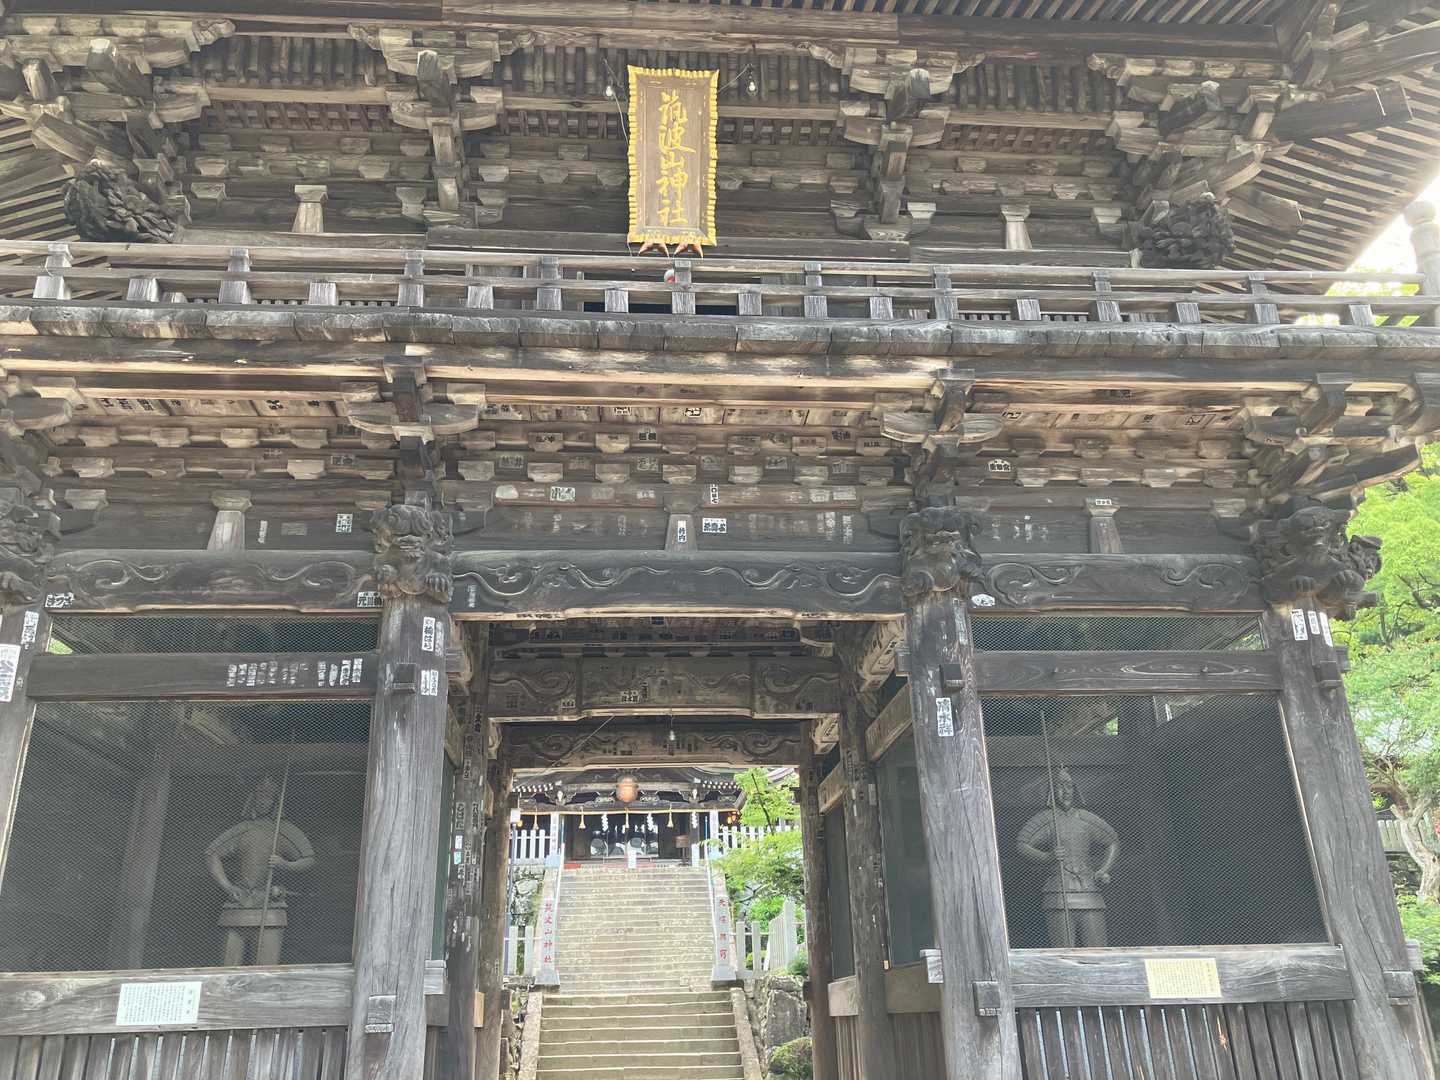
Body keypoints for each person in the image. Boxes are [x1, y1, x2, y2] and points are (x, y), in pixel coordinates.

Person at [206, 774, 314, 965]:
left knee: (265, 969)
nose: (263, 801)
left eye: (268, 797)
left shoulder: (284, 830)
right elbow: (211, 853)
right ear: (252, 798)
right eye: (259, 796)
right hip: (239, 902)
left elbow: (309, 859)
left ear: (276, 801)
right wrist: (227, 886)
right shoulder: (243, 829)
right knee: (228, 968)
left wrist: (285, 864)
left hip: (270, 901)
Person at [1016, 768, 1119, 947]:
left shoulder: (1086, 818)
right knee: (1063, 952)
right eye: (1060, 787)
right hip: (1058, 892)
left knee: (1098, 950)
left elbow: (1113, 841)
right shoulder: (1046, 819)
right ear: (1052, 792)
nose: (1065, 792)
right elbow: (1022, 844)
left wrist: (1103, 870)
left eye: (1069, 787)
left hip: (1089, 890)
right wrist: (1047, 856)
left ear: (1075, 790)